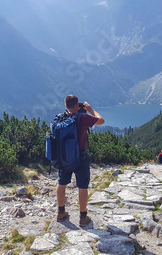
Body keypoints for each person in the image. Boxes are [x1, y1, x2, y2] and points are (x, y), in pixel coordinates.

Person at [56, 94, 105, 227]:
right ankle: (83, 217)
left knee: (61, 183)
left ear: (66, 106)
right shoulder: (82, 117)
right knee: (82, 186)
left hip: (64, 157)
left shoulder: (61, 118)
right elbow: (101, 121)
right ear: (78, 105)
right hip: (81, 157)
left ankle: (61, 212)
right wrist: (90, 109)